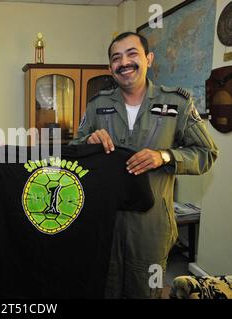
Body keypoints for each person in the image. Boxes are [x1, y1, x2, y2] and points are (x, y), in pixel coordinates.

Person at [71, 31, 218, 298]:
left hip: (152, 227)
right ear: (110, 68)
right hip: (104, 222)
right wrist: (89, 142)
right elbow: (74, 151)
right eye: (116, 58)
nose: (124, 62)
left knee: (147, 291)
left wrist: (165, 156)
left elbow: (206, 153)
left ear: (149, 59)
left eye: (132, 54)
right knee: (105, 287)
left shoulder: (177, 103)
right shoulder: (97, 105)